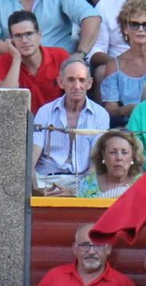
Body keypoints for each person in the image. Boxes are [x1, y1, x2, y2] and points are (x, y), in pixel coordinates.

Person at [32, 60, 110, 192]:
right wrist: (36, 188)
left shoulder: (100, 114)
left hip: (81, 182)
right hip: (45, 180)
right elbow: (32, 157)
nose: (77, 86)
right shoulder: (45, 111)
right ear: (60, 82)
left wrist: (79, 192)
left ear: (89, 83)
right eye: (71, 80)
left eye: (81, 80)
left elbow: (95, 162)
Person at [97, 0, 146, 117]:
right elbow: (110, 111)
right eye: (134, 24)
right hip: (127, 127)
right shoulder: (114, 65)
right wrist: (126, 110)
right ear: (125, 29)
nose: (140, 29)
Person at [0, 10, 71, 112]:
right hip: (19, 124)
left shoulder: (60, 56)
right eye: (18, 36)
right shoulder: (1, 62)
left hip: (55, 122)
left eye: (29, 34)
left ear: (39, 35)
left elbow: (74, 94)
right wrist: (16, 59)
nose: (24, 40)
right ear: (11, 40)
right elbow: (4, 102)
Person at [39, 224, 140, 286]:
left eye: (98, 245)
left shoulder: (123, 284)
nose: (91, 251)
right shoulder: (54, 277)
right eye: (85, 245)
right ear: (74, 249)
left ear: (108, 249)